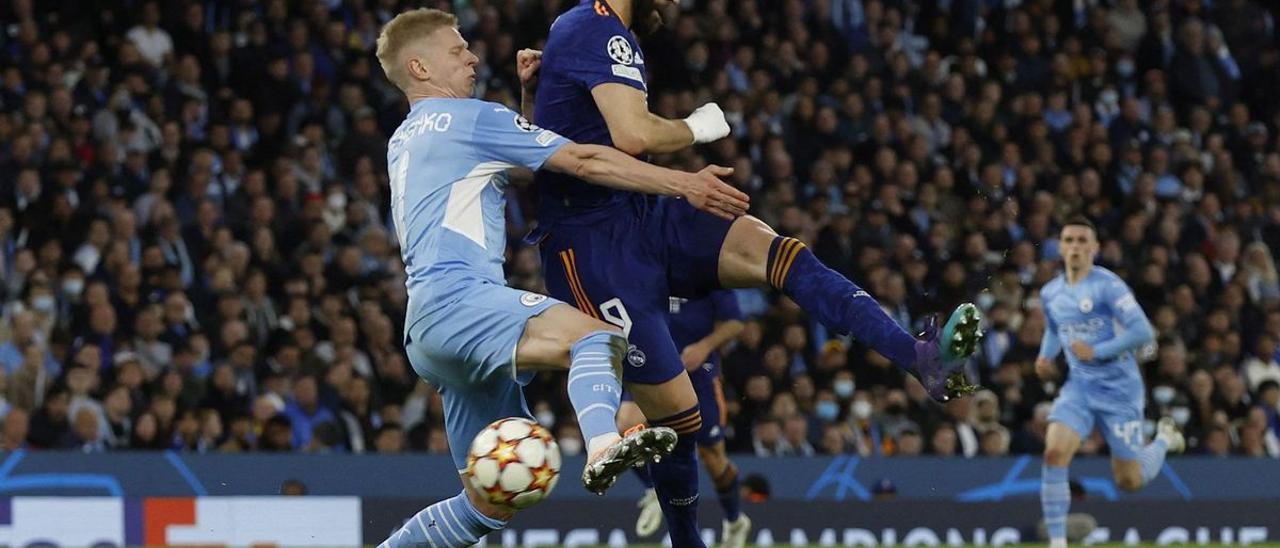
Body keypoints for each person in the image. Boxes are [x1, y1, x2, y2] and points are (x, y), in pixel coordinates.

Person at [522, 1, 983, 545]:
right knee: (679, 420)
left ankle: (919, 358)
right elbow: (632, 136)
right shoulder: (593, 28)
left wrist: (531, 96)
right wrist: (694, 128)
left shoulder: (598, 31)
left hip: (642, 209)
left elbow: (553, 138)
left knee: (777, 251)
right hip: (591, 246)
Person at [372, 9, 750, 548]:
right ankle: (601, 444)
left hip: (429, 329)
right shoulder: (471, 117)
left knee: (487, 505)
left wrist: (531, 103)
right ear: (420, 66)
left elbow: (525, 168)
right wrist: (681, 182)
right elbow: (584, 160)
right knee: (597, 337)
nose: (473, 57)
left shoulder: (405, 138)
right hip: (463, 302)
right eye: (457, 51)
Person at [1035, 217, 1185, 548]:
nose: (1075, 247)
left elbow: (1143, 331)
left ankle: (1162, 441)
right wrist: (1045, 357)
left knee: (1128, 481)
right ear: (1060, 247)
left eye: (1082, 240)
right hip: (1079, 388)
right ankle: (1057, 543)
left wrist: (1098, 350)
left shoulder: (1109, 286)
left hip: (1120, 392)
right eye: (1069, 240)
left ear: (1094, 248)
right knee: (1054, 454)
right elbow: (1053, 328)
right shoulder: (1051, 293)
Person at [618, 290, 751, 547]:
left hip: (699, 373)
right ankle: (653, 489)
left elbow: (735, 321)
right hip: (651, 365)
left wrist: (704, 346)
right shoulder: (647, 269)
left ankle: (735, 519)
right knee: (626, 427)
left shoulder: (704, 270)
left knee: (714, 460)